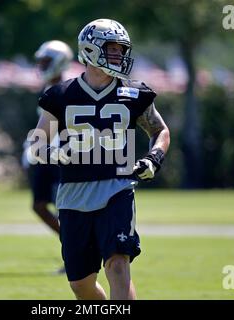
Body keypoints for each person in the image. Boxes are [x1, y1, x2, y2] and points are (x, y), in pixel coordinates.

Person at [28, 19, 170, 299]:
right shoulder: (60, 95)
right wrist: (55, 153)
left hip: (117, 188)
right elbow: (36, 142)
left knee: (118, 265)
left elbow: (160, 130)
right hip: (72, 195)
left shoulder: (134, 93)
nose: (118, 56)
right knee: (81, 285)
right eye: (112, 49)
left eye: (121, 50)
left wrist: (154, 158)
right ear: (90, 51)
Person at [22, 40, 73, 274]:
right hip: (45, 154)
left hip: (62, 155)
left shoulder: (71, 89)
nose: (42, 66)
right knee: (39, 205)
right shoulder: (46, 89)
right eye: (41, 61)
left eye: (46, 61)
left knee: (65, 208)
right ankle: (76, 248)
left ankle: (75, 256)